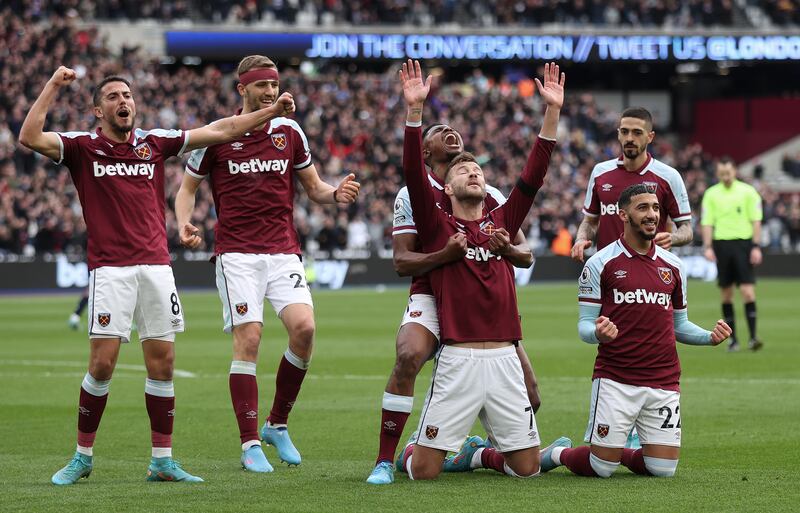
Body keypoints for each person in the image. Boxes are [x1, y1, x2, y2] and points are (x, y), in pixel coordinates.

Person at [19, 66, 296, 485]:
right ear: (97, 110)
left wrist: (270, 111)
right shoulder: (82, 147)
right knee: (102, 364)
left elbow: (220, 131)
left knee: (163, 365)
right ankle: (82, 455)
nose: (122, 101)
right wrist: (54, 85)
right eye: (112, 97)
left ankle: (162, 460)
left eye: (127, 95)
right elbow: (30, 137)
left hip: (157, 267)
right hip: (111, 269)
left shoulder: (153, 142)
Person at [175, 55, 360, 473]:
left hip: (282, 251)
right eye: (262, 86)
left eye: (274, 85)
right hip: (237, 254)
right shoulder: (218, 134)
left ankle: (277, 424)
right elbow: (187, 188)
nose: (270, 93)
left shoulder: (289, 131)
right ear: (243, 89)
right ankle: (249, 442)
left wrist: (337, 194)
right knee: (250, 339)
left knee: (305, 329)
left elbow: (313, 188)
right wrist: (184, 221)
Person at [393, 60, 563, 481]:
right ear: (446, 187)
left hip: (505, 356)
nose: (473, 172)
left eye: (478, 170)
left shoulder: (502, 222)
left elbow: (533, 176)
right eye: (463, 170)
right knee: (423, 473)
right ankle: (413, 448)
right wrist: (414, 112)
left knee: (526, 471)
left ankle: (475, 454)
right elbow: (415, 173)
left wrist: (552, 112)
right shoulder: (436, 226)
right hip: (459, 358)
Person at [541, 184, 731, 479]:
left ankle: (620, 451)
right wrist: (598, 333)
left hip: (663, 379)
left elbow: (679, 325)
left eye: (655, 208)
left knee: (662, 469)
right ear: (623, 214)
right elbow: (584, 325)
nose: (652, 214)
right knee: (600, 467)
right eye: (643, 208)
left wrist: (708, 337)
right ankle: (558, 453)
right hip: (617, 378)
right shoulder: (600, 263)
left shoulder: (674, 266)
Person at [570, 106, 693, 448]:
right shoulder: (601, 173)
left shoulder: (668, 177)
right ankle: (606, 432)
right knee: (610, 351)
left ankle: (636, 431)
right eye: (624, 131)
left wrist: (674, 238)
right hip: (607, 277)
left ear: (650, 137)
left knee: (643, 351)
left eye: (636, 132)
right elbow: (590, 220)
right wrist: (582, 238)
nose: (628, 138)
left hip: (649, 275)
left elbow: (687, 230)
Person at [701, 157, 764, 352]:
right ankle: (733, 340)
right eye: (721, 173)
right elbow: (707, 222)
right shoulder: (711, 194)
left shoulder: (748, 192)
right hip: (722, 245)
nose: (725, 177)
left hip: (743, 245)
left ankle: (753, 338)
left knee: (747, 291)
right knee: (726, 294)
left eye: (728, 173)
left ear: (735, 171)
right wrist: (708, 246)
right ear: (718, 173)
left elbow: (756, 221)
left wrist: (755, 246)